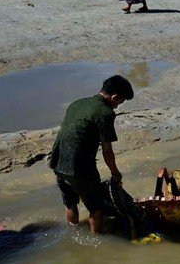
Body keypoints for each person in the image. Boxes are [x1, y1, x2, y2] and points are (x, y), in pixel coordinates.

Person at [49, 75, 134, 233]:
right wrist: (115, 173)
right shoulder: (105, 113)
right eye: (119, 102)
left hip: (58, 162)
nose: (117, 107)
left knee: (70, 203)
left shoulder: (77, 103)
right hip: (79, 167)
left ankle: (73, 234)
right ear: (114, 97)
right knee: (96, 208)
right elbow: (107, 151)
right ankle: (97, 243)